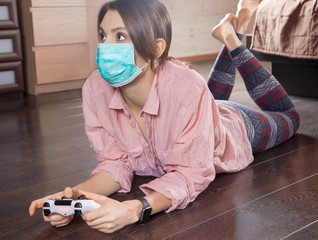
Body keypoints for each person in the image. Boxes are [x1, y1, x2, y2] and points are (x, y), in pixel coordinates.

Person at [29, 0, 299, 233]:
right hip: (199, 109)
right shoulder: (94, 89)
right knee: (207, 97)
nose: (105, 46)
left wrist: (137, 208)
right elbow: (114, 163)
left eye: (120, 36)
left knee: (289, 116)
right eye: (103, 36)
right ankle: (229, 32)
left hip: (234, 127)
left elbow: (191, 173)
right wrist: (74, 196)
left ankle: (231, 39)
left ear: (157, 48)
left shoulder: (187, 87)